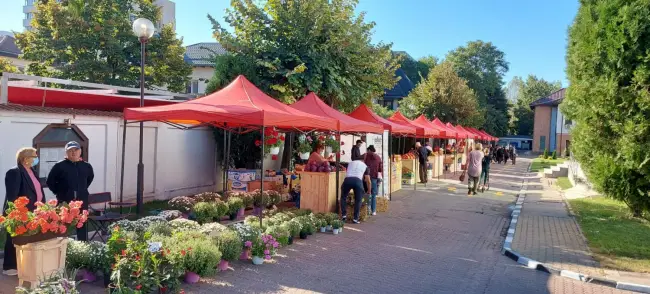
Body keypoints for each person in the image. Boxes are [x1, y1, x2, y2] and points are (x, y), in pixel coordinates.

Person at [3, 147, 46, 276]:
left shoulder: (32, 171)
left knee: (28, 238)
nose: (36, 158)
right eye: (34, 156)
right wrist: (17, 213)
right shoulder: (15, 172)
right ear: (25, 158)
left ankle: (24, 263)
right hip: (20, 212)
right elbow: (12, 196)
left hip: (34, 210)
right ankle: (9, 266)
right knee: (15, 237)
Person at [47, 141, 94, 241]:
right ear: (66, 152)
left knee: (81, 224)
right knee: (63, 225)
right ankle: (63, 246)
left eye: (76, 150)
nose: (73, 152)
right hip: (65, 201)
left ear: (80, 151)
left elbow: (89, 179)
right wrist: (59, 192)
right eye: (70, 150)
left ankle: (82, 246)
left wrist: (82, 190)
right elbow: (50, 182)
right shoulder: (59, 166)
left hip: (81, 201)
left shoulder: (86, 166)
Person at [340, 158, 371, 224]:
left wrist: (342, 188)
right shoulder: (365, 166)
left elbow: (346, 171)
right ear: (363, 160)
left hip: (347, 180)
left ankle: (344, 216)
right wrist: (369, 190)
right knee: (358, 200)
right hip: (358, 181)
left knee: (343, 197)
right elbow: (368, 180)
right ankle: (355, 219)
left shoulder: (350, 163)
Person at [363, 145, 382, 216]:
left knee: (366, 193)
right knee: (373, 194)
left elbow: (363, 165)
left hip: (366, 177)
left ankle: (366, 210)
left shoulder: (366, 156)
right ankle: (373, 211)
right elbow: (380, 169)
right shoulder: (378, 157)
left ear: (369, 150)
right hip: (374, 177)